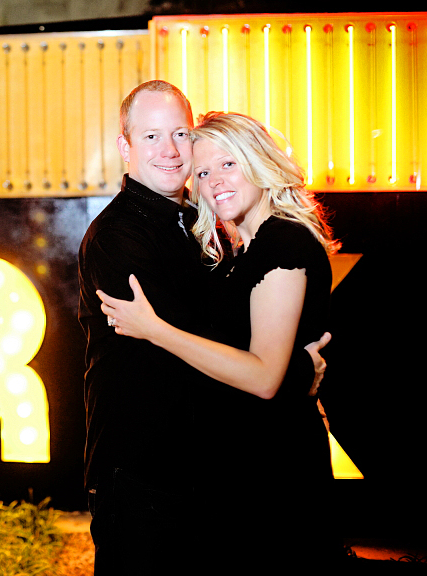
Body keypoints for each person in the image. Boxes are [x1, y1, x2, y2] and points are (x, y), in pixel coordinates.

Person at [78, 82, 328, 574]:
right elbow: (192, 348)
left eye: (179, 133)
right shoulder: (117, 237)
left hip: (201, 475)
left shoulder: (200, 223)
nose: (170, 151)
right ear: (125, 147)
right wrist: (294, 371)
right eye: (151, 137)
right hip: (143, 474)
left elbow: (227, 342)